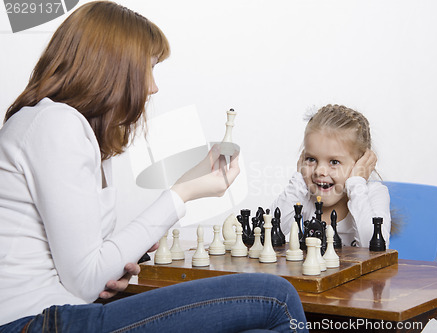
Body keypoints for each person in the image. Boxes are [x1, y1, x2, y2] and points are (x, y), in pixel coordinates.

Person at [0, 2, 308, 332]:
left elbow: (87, 268)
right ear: (112, 67)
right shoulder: (56, 124)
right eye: (148, 68)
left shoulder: (68, 129)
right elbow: (86, 281)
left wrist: (191, 179)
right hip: (31, 322)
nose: (153, 87)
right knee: (276, 298)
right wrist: (183, 193)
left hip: (54, 314)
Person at [271, 104, 391, 247]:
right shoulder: (306, 195)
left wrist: (356, 183)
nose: (319, 171)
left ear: (360, 164)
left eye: (334, 162)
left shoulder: (374, 194)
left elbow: (373, 249)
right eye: (311, 159)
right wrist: (299, 180)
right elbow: (270, 232)